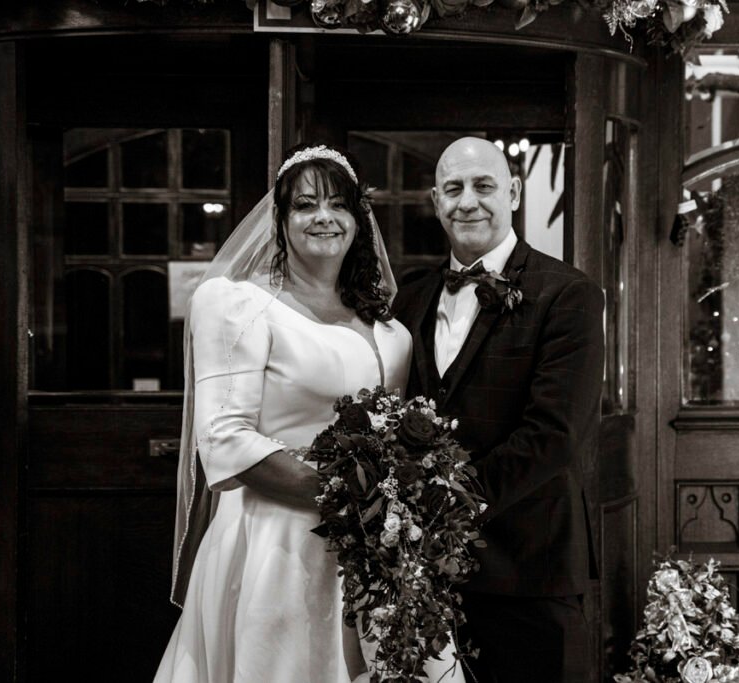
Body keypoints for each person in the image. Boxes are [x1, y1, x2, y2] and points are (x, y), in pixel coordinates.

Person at [155, 144, 464, 683]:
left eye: (338, 204)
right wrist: (353, 500)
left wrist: (402, 505)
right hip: (275, 543)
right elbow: (225, 437)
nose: (324, 217)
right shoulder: (238, 306)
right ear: (280, 219)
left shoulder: (389, 329)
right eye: (305, 205)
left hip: (377, 550)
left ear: (358, 219)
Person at [392, 137, 605, 683]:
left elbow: (553, 434)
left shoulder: (569, 293)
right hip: (427, 578)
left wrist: (442, 508)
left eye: (484, 186)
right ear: (434, 200)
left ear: (512, 191)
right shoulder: (408, 299)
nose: (468, 202)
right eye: (453, 189)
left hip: (530, 569)